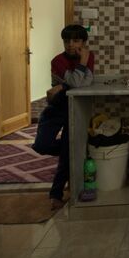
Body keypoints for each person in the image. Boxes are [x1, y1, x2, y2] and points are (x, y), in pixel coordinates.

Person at [32, 24, 94, 209]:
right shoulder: (57, 61)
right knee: (42, 145)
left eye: (75, 40)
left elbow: (85, 83)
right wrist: (82, 64)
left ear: (83, 42)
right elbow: (76, 82)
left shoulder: (88, 58)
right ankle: (76, 150)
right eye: (67, 40)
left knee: (67, 152)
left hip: (73, 108)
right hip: (55, 108)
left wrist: (63, 86)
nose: (70, 44)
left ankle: (56, 194)